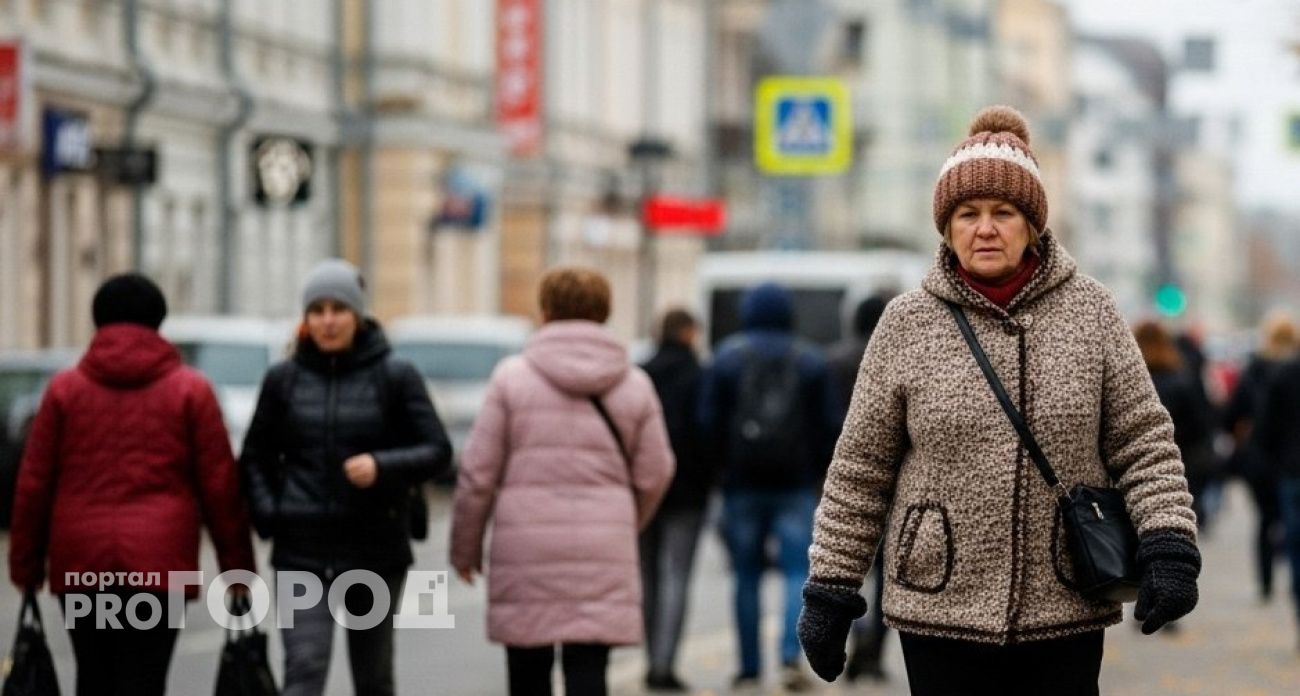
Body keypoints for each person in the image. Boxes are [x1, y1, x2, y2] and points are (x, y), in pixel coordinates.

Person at [796, 106, 1200, 696]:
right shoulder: (906, 324)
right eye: (968, 214)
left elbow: (1143, 443)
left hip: (1064, 600)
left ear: (1032, 225)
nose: (985, 228)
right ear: (947, 227)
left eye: (1003, 213)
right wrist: (831, 586)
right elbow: (860, 468)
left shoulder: (1091, 312)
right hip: (939, 602)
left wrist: (1169, 542)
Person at [9, 273, 256, 696]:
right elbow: (220, 487)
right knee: (146, 677)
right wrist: (236, 568)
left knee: (95, 676)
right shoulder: (191, 391)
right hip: (161, 567)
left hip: (83, 564)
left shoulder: (64, 391)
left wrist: (25, 566)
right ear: (159, 320)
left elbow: (34, 484)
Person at [450, 266, 674, 696]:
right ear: (604, 311)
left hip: (525, 544)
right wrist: (626, 521)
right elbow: (657, 470)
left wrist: (466, 547)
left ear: (546, 310)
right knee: (589, 665)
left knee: (527, 666)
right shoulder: (634, 384)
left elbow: (478, 474)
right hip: (603, 542)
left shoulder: (511, 378)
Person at [240, 258, 452, 696]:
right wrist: (271, 515)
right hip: (302, 552)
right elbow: (255, 457)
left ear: (357, 315)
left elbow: (437, 450)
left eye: (338, 309)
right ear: (306, 319)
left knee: (373, 679)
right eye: (318, 311)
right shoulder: (284, 380)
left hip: (374, 551)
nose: (328, 321)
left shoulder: (394, 375)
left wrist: (381, 466)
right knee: (303, 672)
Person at [697, 281, 839, 691]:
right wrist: (814, 471)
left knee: (746, 576)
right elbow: (830, 426)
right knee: (798, 569)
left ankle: (748, 666)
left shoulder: (727, 358)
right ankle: (791, 656)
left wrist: (722, 471)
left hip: (741, 484)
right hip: (795, 484)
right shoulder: (811, 360)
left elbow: (707, 424)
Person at [638, 308, 712, 692]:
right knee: (677, 575)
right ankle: (665, 663)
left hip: (643, 489)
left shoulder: (640, 373)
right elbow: (706, 430)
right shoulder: (698, 375)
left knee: (647, 576)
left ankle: (650, 658)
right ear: (687, 333)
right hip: (688, 492)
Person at [825, 293, 893, 681]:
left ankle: (852, 642)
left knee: (846, 571)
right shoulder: (897, 359)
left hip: (845, 479)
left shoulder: (834, 360)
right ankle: (875, 655)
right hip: (894, 486)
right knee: (885, 575)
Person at [1223, 311, 1298, 602]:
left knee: (1266, 521)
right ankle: (1294, 585)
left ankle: (1266, 581)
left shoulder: (1254, 370)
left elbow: (1235, 415)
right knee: (1293, 529)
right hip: (1290, 462)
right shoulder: (1290, 370)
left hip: (1266, 460)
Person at [1256, 325, 1300, 650]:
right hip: (1290, 469)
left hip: (1292, 470)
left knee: (1296, 544)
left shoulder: (1286, 374)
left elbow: (1265, 427)